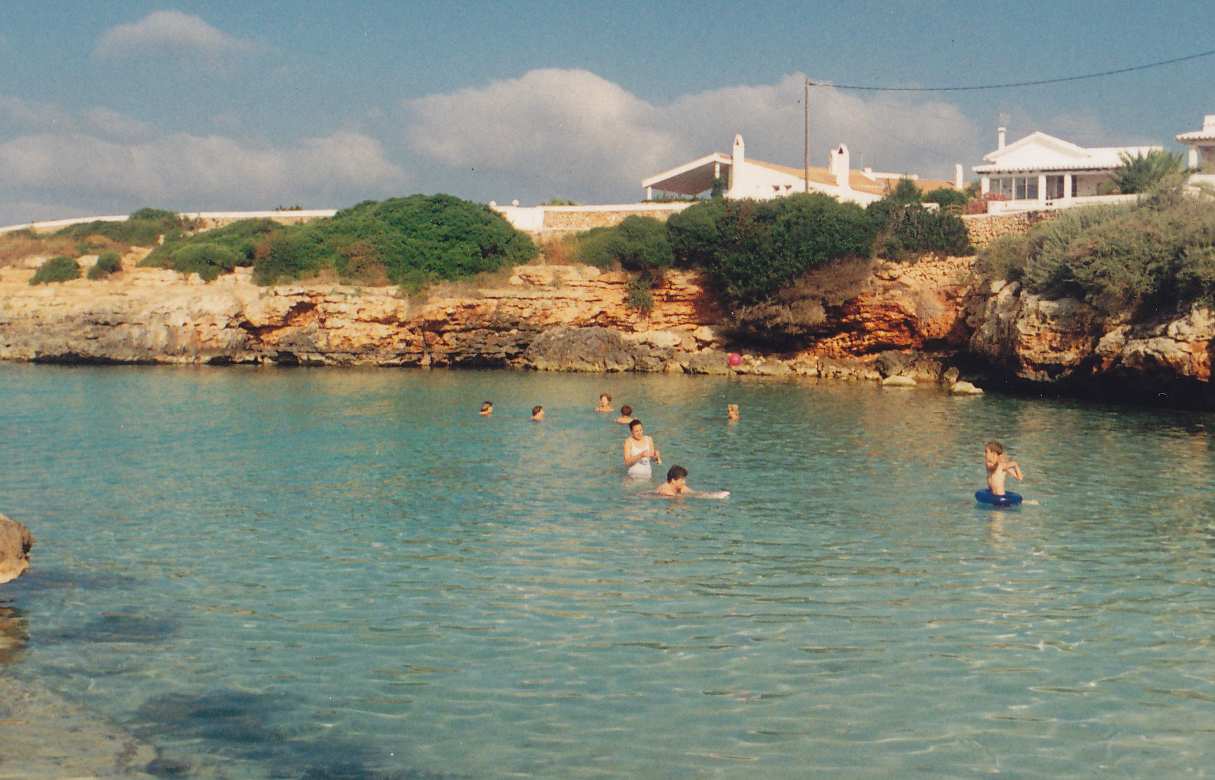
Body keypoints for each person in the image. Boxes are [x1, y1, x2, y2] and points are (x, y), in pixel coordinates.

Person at [654, 465, 731, 499]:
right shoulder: (665, 490)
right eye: (682, 480)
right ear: (673, 480)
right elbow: (675, 498)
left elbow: (695, 494)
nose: (684, 482)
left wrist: (713, 495)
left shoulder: (680, 487)